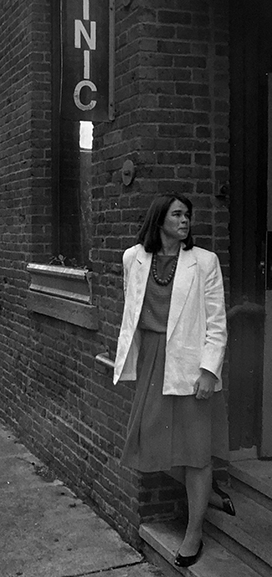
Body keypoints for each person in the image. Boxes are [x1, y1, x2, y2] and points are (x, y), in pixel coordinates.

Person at [114, 193, 235, 567]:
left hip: (189, 361)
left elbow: (217, 323)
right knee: (151, 442)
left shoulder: (204, 262)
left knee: (196, 450)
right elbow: (131, 310)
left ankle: (194, 532)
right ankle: (207, 490)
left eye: (188, 216)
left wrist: (208, 371)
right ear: (160, 219)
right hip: (151, 359)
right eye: (177, 214)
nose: (185, 221)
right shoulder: (133, 258)